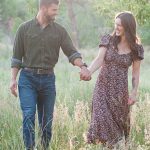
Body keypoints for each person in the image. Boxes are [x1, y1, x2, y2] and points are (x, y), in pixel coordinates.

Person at [9, 0, 90, 149]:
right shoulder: (24, 29)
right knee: (28, 114)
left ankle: (44, 147)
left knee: (46, 121)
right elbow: (16, 58)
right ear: (43, 8)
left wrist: (83, 66)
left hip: (47, 80)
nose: (56, 13)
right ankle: (30, 147)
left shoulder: (59, 31)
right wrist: (13, 79)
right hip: (27, 79)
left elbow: (71, 52)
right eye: (54, 10)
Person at [80, 11, 144, 149]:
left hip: (120, 93)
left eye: (120, 25)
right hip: (102, 89)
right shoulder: (107, 40)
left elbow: (136, 73)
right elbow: (99, 60)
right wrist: (88, 72)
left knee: (117, 130)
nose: (116, 27)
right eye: (115, 24)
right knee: (101, 120)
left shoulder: (136, 49)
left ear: (128, 26)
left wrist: (133, 92)